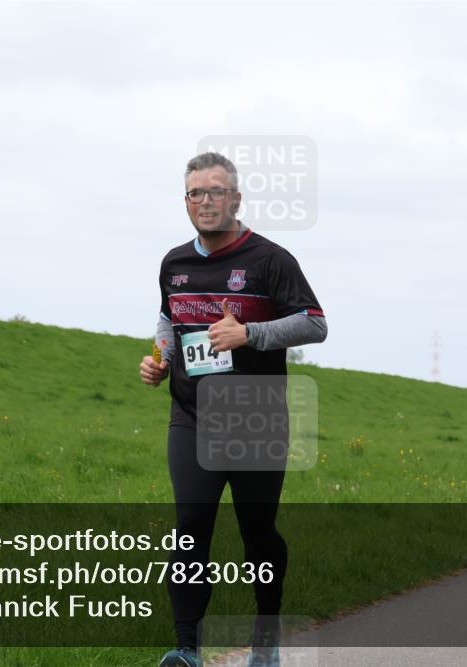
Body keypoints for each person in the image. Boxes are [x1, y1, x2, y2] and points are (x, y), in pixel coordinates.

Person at [139, 152, 327, 667]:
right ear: (186, 201)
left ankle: (266, 639)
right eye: (196, 193)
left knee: (257, 531)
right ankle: (186, 649)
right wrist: (163, 359)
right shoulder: (173, 263)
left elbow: (314, 323)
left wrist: (250, 334)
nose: (205, 201)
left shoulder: (270, 260)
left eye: (216, 191)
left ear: (236, 199)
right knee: (190, 523)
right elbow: (167, 316)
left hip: (255, 418)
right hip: (192, 417)